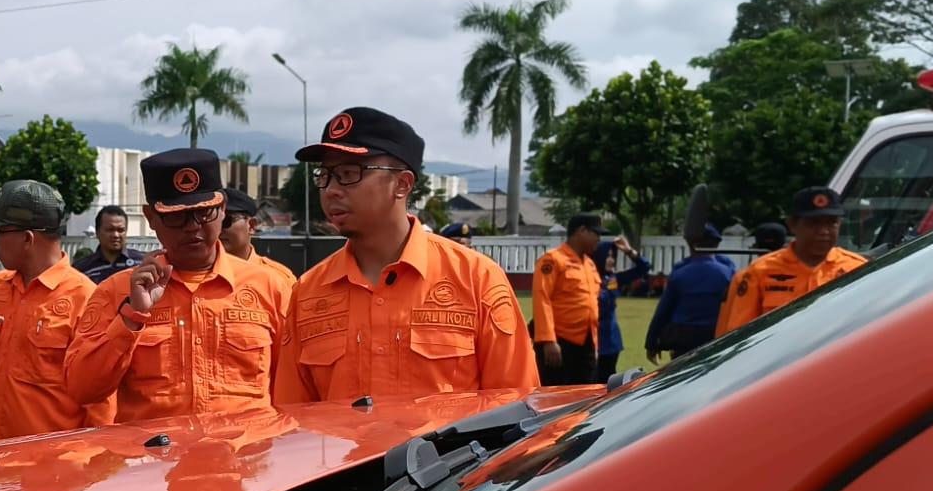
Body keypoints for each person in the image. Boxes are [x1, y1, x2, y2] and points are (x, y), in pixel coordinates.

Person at [274, 107, 537, 403]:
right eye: (325, 176)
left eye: (348, 174)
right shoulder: (308, 294)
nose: (331, 190)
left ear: (402, 184)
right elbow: (292, 417)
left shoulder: (477, 280)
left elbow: (517, 407)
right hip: (345, 452)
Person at [64, 148, 288, 423]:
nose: (192, 227)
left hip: (247, 458)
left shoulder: (270, 287)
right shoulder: (116, 293)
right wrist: (132, 318)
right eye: (176, 216)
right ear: (150, 217)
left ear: (222, 208)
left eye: (204, 213)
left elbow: (293, 392)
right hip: (154, 462)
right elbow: (82, 389)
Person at [0, 179, 114, 439]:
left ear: (27, 239)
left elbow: (100, 403)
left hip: (50, 471)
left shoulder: (86, 300)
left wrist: (90, 469)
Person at [716, 186, 870, 336]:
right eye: (814, 223)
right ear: (792, 225)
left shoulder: (858, 270)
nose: (824, 231)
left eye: (831, 223)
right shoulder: (759, 273)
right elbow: (736, 339)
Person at [532, 213, 605, 385]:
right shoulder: (552, 260)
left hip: (586, 342)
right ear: (582, 231)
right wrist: (548, 341)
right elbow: (542, 298)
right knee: (555, 397)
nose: (599, 240)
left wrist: (594, 345)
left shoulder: (589, 264)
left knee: (585, 397)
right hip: (560, 342)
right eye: (596, 234)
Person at [644, 224, 735, 363]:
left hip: (683, 340)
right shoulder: (728, 273)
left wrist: (651, 343)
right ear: (716, 245)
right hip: (717, 336)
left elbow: (663, 311)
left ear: (691, 244)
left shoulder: (680, 274)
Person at [591, 235, 651, 382]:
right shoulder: (587, 279)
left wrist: (629, 251)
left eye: (613, 256)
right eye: (607, 256)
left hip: (611, 342)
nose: (611, 260)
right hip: (592, 342)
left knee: (607, 383)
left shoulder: (612, 279)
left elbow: (644, 268)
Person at [219, 187, 296, 290]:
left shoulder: (279, 279)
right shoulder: (194, 276)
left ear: (251, 225)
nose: (217, 228)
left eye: (225, 221)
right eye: (210, 219)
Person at [73, 205, 141, 283]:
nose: (116, 235)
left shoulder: (140, 263)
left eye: (120, 230)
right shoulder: (82, 269)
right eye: (110, 230)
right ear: (97, 232)